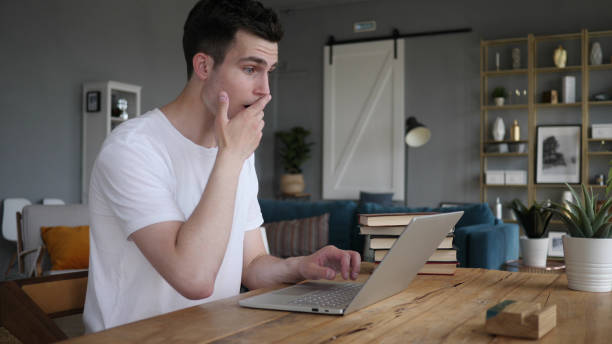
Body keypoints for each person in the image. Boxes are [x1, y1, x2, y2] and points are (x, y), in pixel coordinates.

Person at [83, 0, 361, 333]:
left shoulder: (236, 149)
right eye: (250, 69)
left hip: (216, 335)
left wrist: (300, 266)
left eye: (268, 72)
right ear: (203, 66)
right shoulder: (133, 149)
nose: (265, 91)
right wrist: (230, 156)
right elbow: (195, 280)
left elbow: (252, 266)